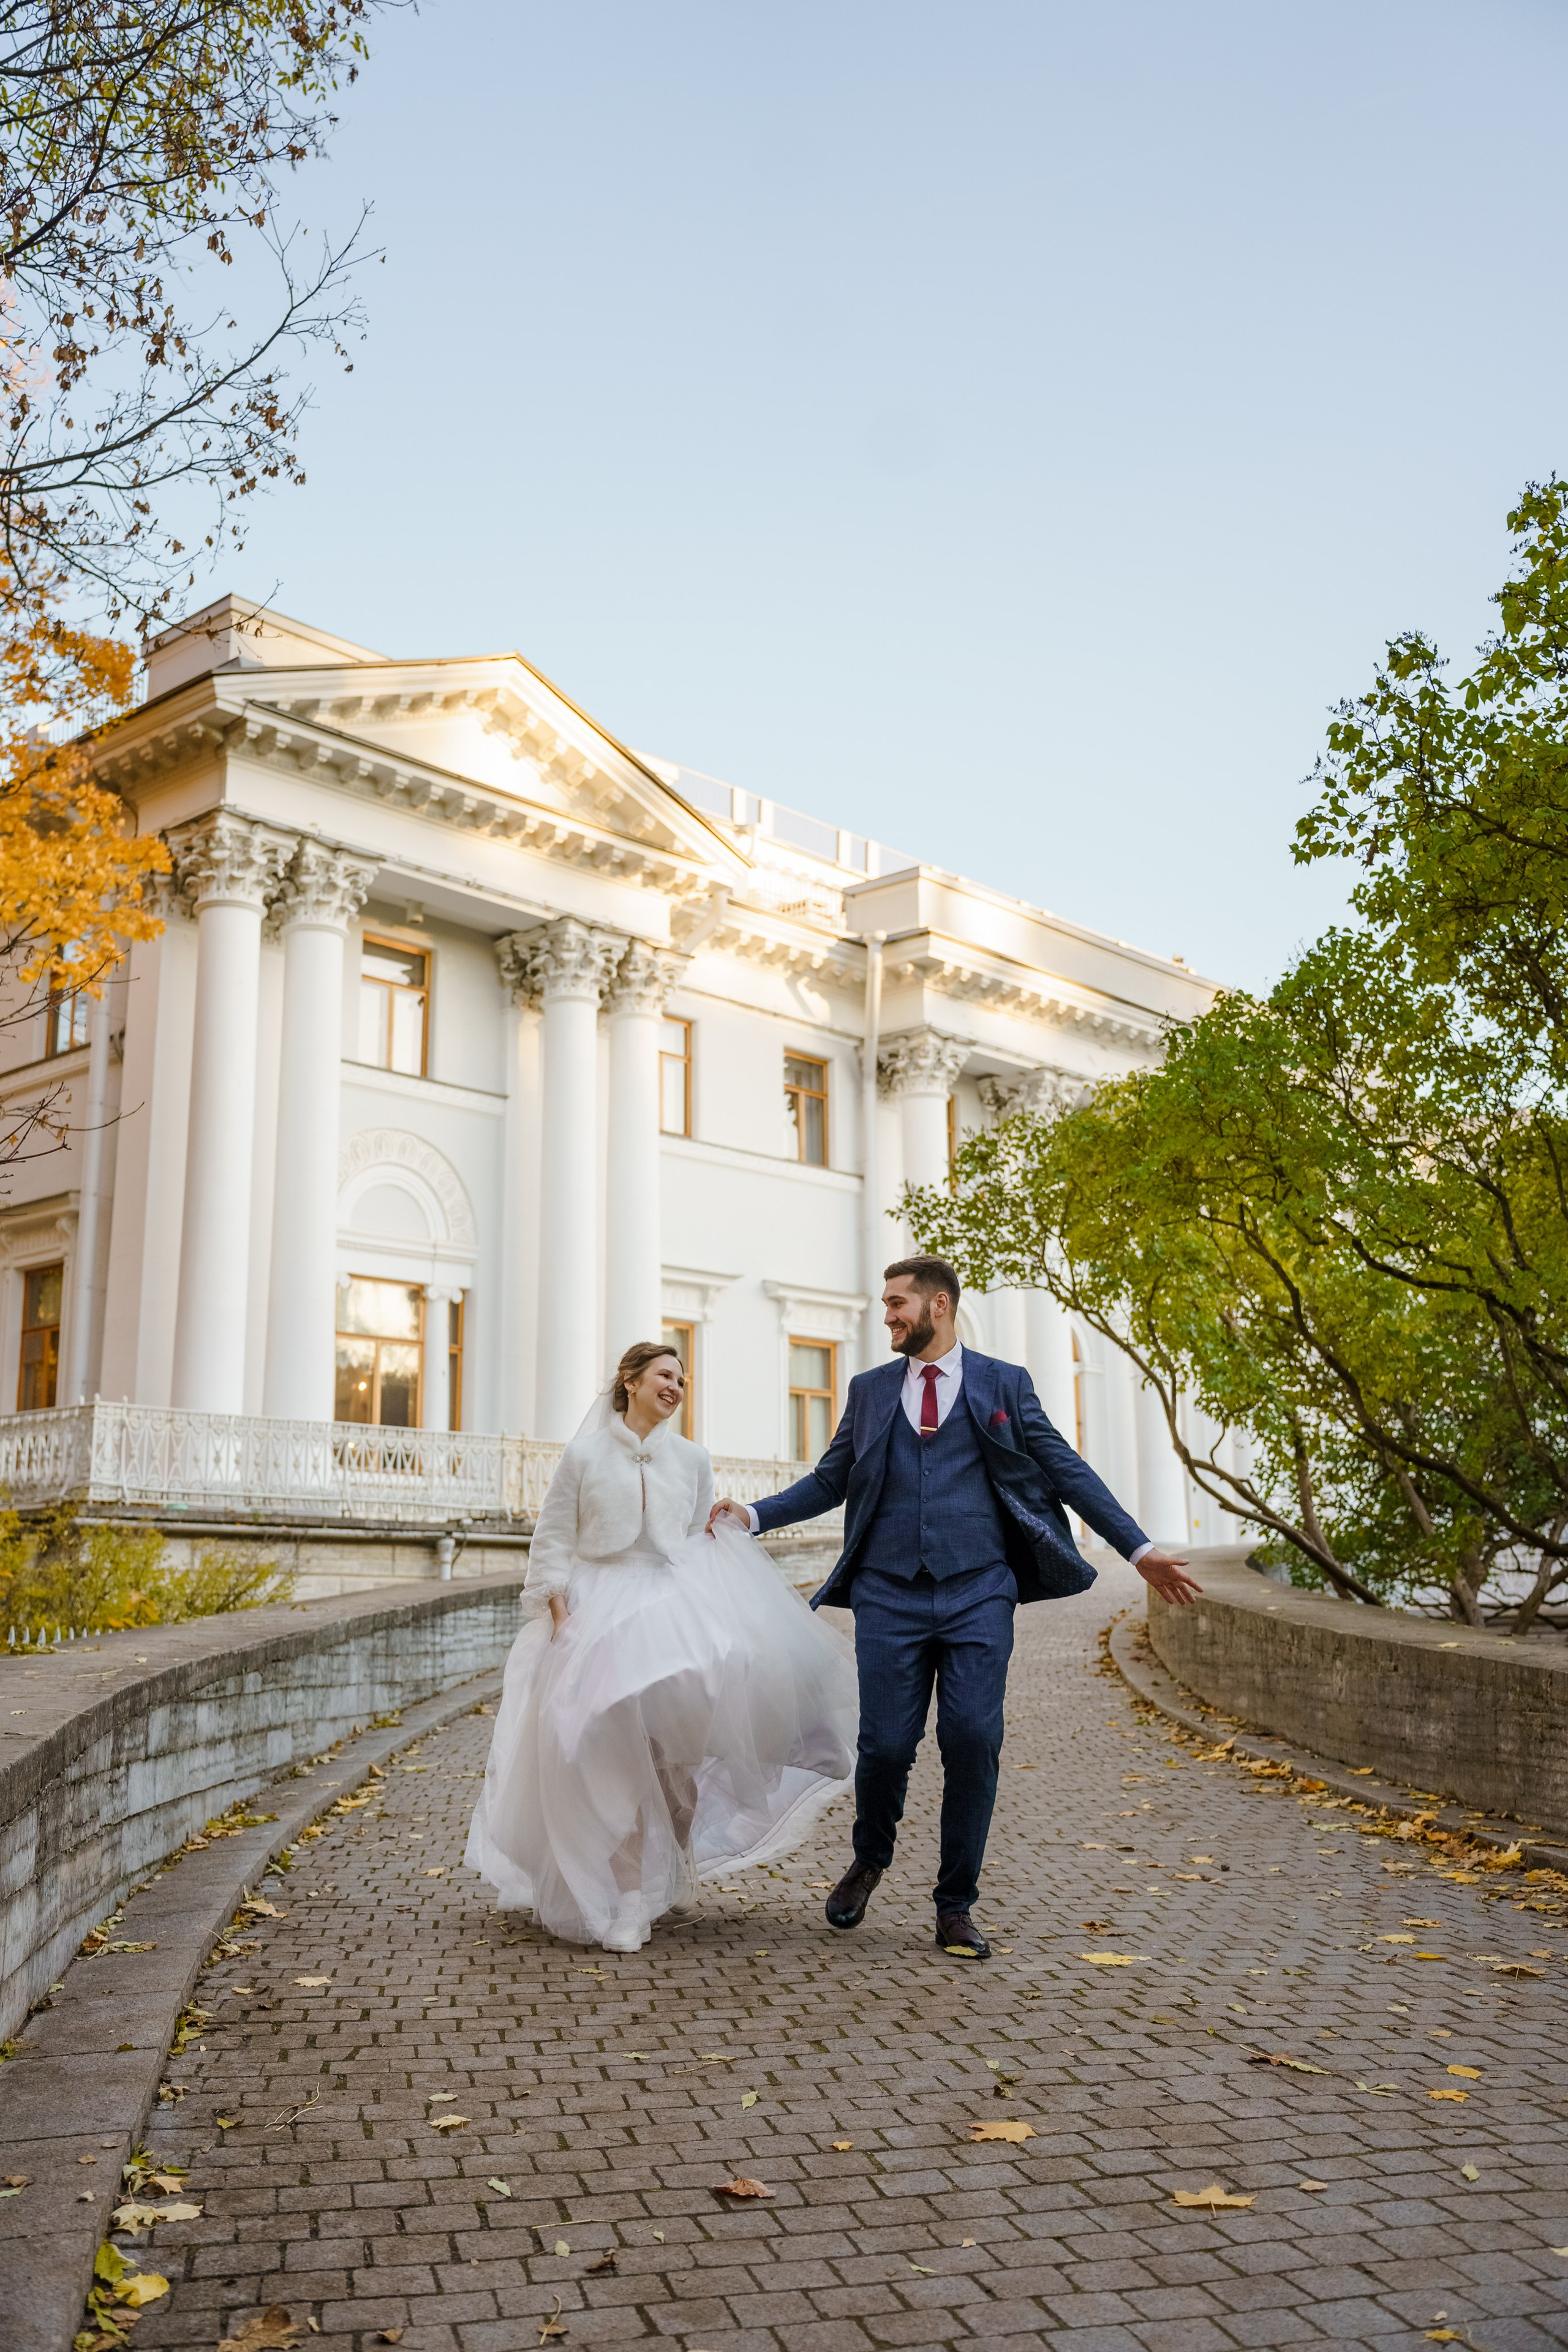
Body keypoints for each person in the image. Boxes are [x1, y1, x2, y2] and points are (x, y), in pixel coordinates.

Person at [709, 1256, 1202, 1959]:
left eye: (896, 1304)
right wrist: (753, 1514)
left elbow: (1065, 1469)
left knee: (972, 1740)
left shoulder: (1004, 1384)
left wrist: (1138, 1549)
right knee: (884, 1746)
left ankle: (955, 1905)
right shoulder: (872, 1390)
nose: (887, 1316)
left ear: (938, 1306)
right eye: (885, 1305)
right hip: (886, 1592)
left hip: (978, 1590)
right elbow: (831, 1479)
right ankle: (870, 1858)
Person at [466, 1340, 858, 1952]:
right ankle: (624, 1896)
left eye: (682, 1378)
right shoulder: (585, 1455)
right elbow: (551, 1542)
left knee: (674, 1759)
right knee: (611, 1754)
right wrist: (562, 1617)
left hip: (673, 1614)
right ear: (631, 1381)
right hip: (597, 1612)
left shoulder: (692, 1459)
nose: (676, 1386)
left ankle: (666, 1870)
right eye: (664, 1375)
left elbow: (702, 1545)